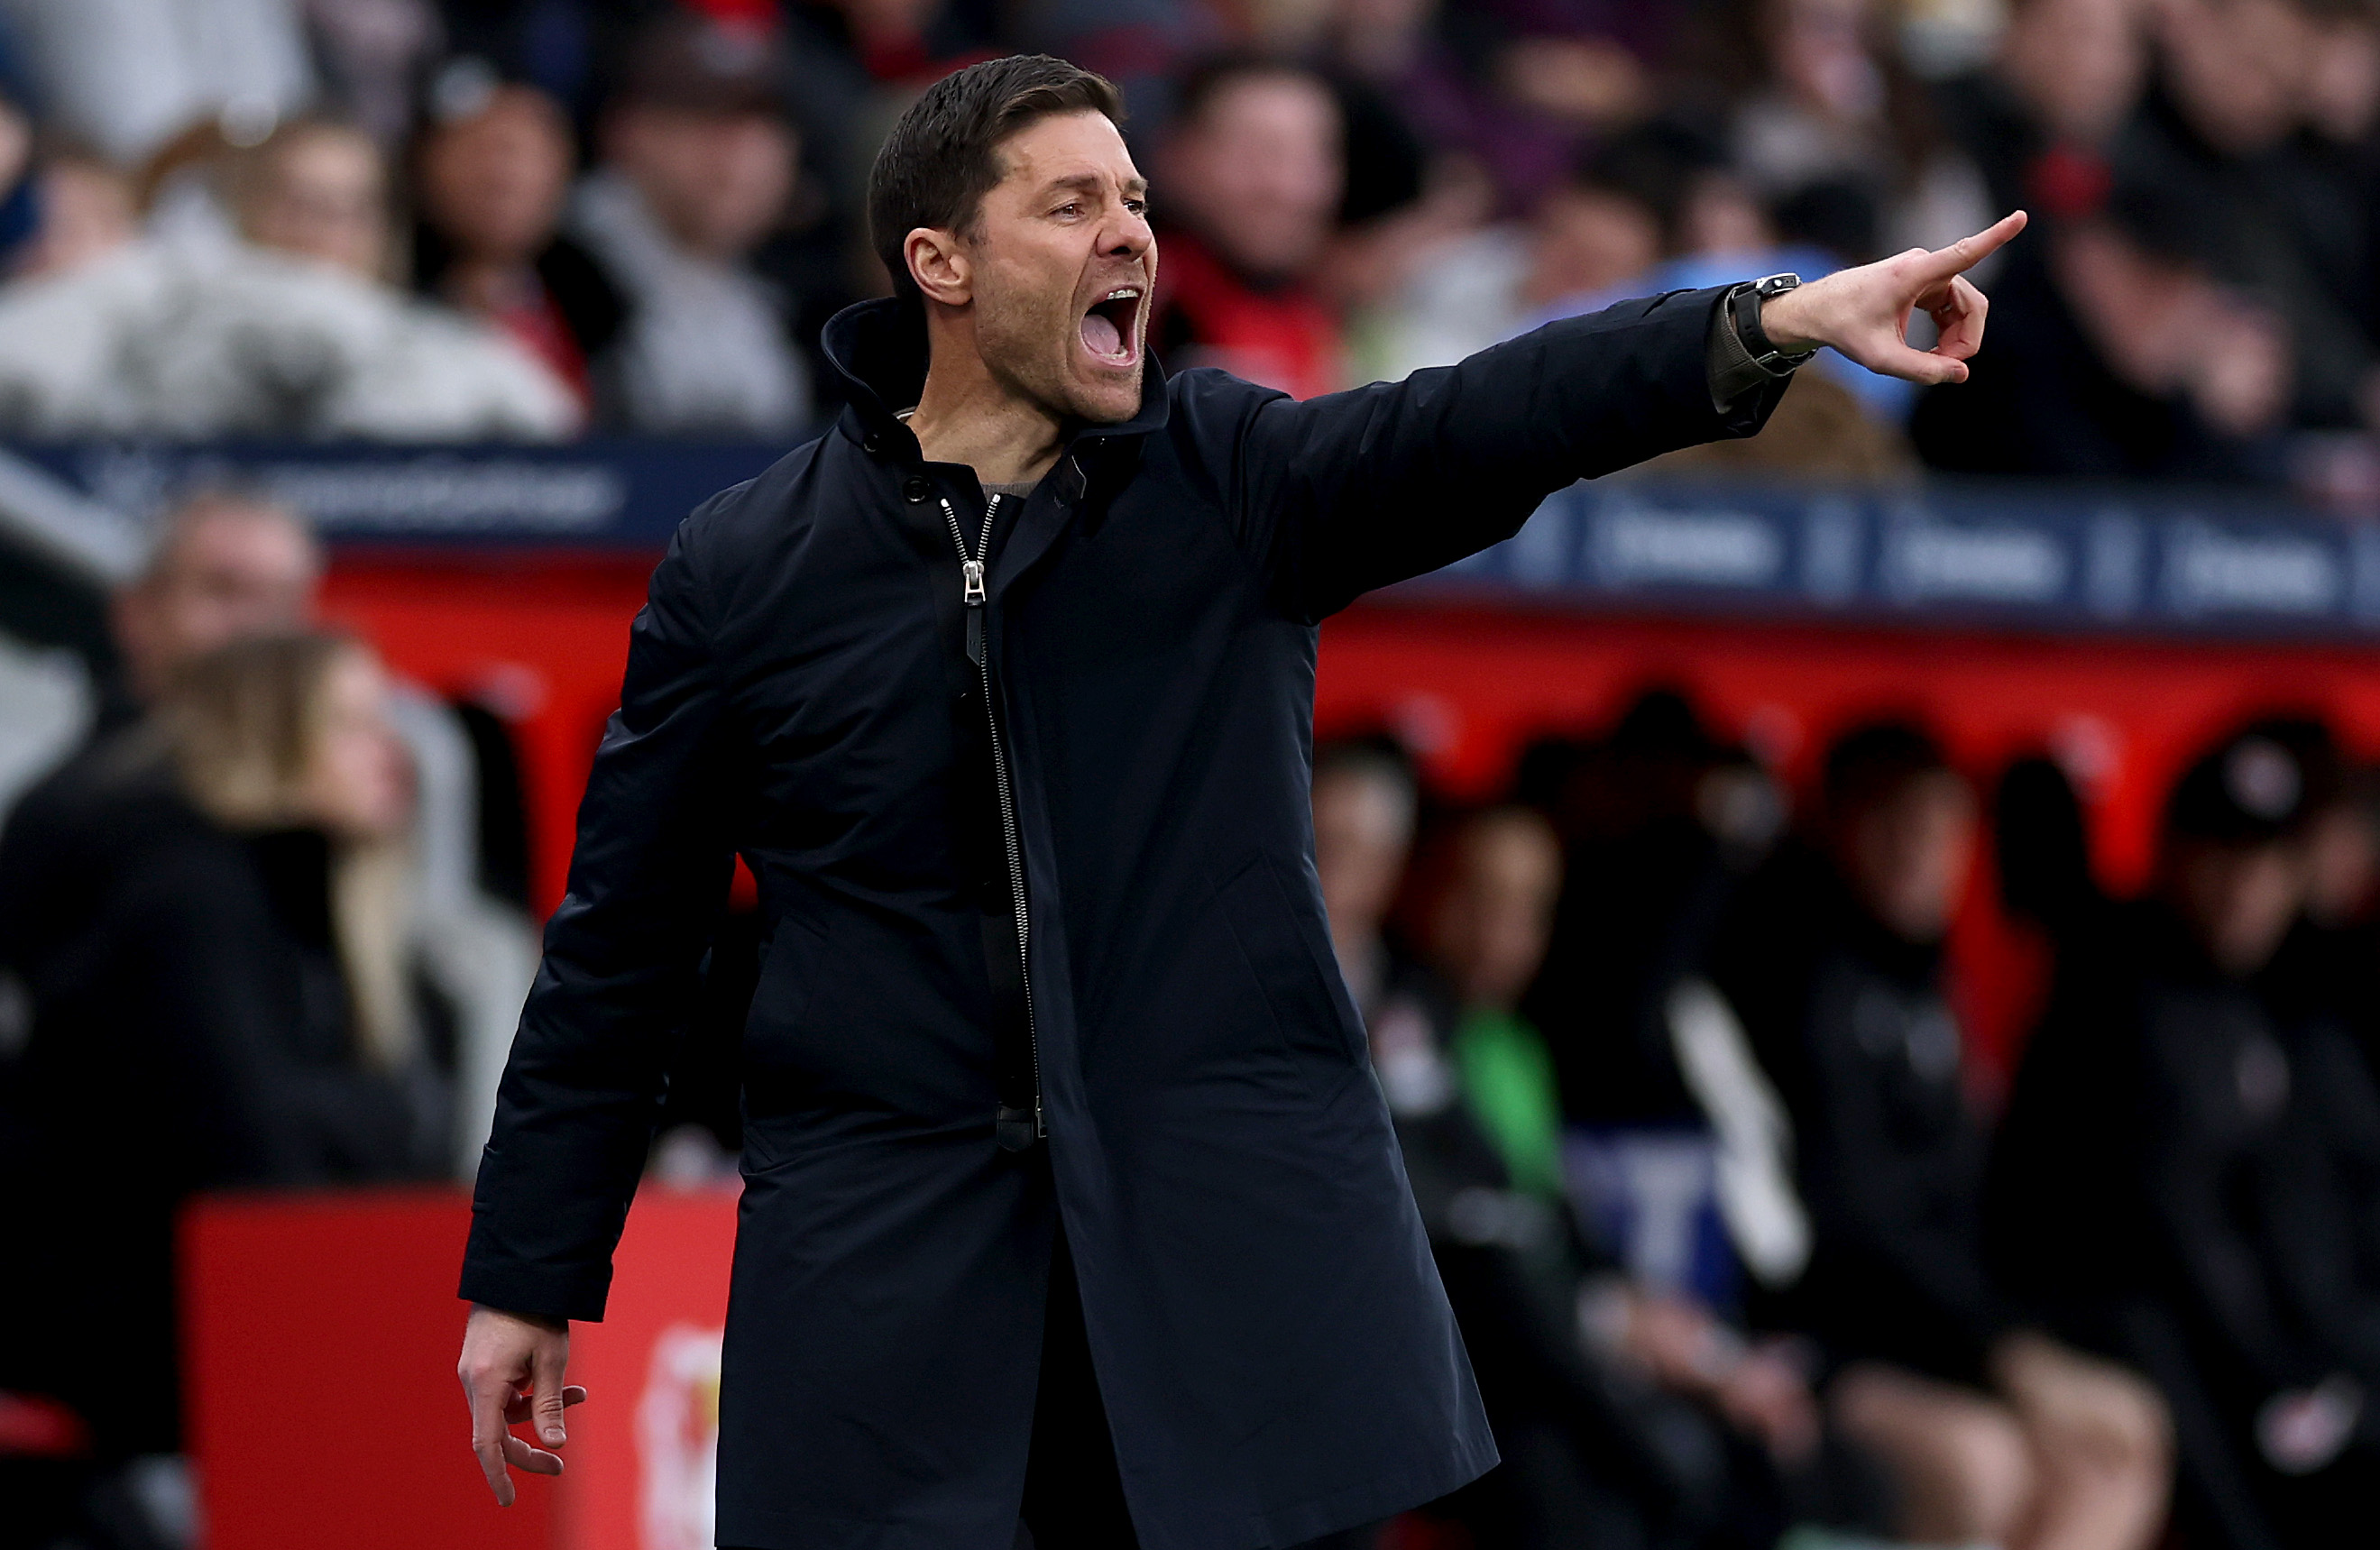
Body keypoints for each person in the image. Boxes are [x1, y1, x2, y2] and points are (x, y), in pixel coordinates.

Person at [453, 51, 2023, 1549]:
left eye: (1135, 198)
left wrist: (1767, 323)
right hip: (887, 1283)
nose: (1128, 229)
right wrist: (529, 1269)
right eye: (1070, 203)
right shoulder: (745, 566)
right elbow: (623, 946)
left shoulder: (1218, 474)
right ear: (939, 260)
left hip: (1205, 1277)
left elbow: (1484, 415)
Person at [0, 631, 436, 1547]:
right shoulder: (188, 900)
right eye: (353, 723)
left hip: (218, 1333)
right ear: (271, 733)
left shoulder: (319, 915)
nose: (390, 753)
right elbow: (255, 1167)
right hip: (118, 1347)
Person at [1707, 721, 2171, 1550]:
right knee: (1980, 1464)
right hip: (1828, 1335)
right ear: (1842, 829)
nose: (1921, 851)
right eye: (1895, 825)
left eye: (1943, 827)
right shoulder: (1804, 981)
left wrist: (2018, 1343)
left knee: (2121, 1435)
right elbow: (1852, 1222)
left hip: (1951, 1332)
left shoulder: (1949, 980)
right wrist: (2005, 1355)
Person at [1990, 723, 2380, 1547]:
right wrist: (2280, 1374)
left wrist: (2328, 1360)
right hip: (2117, 1323)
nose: (2244, 886)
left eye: (2269, 863)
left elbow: (2304, 1217)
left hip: (2260, 1351)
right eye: (2222, 857)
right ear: (2173, 856)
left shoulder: (2285, 1005)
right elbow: (2168, 1237)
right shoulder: (2121, 992)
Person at [565, 10, 813, 437]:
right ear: (627, 132)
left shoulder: (762, 284)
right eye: (704, 121)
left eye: (758, 127)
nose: (739, 157)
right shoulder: (564, 269)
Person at [411, 64, 626, 417]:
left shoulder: (602, 313)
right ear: (425, 168)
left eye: (525, 154)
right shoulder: (387, 299)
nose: (502, 177)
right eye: (480, 149)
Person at [1148, 57, 1352, 399]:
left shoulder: (1325, 317)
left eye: (1309, 157)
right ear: (1178, 157)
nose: (1288, 188)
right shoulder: (1133, 310)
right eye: (1254, 153)